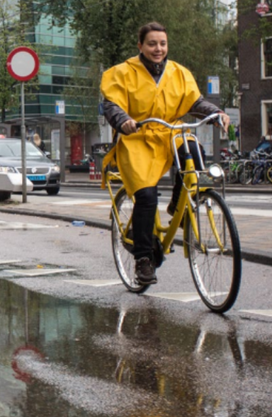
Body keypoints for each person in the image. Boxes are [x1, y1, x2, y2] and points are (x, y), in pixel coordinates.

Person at [100, 22, 229, 285]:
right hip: (137, 138)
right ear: (140, 46)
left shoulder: (179, 72)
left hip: (170, 132)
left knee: (193, 149)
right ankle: (144, 260)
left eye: (162, 43)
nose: (158, 49)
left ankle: (177, 207)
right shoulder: (122, 72)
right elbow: (110, 104)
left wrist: (214, 112)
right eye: (152, 44)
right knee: (146, 197)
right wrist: (122, 119)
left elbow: (194, 101)